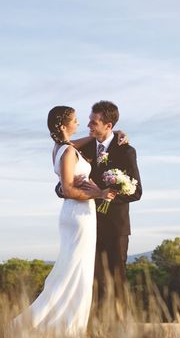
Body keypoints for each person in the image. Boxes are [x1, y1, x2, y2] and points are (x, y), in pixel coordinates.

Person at [14, 106, 112, 335]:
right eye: (75, 120)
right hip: (78, 213)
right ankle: (65, 327)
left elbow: (74, 143)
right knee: (76, 270)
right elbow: (67, 189)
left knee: (75, 267)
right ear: (63, 126)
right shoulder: (68, 153)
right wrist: (99, 194)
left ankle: (66, 323)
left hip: (78, 213)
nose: (79, 123)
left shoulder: (60, 148)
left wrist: (105, 135)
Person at [58, 100, 142, 306]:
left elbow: (136, 192)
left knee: (116, 281)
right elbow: (62, 184)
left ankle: (118, 329)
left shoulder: (126, 151)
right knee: (90, 281)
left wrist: (104, 193)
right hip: (87, 225)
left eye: (94, 123)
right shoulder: (81, 148)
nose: (88, 126)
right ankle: (93, 327)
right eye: (89, 121)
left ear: (108, 126)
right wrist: (65, 190)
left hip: (115, 227)